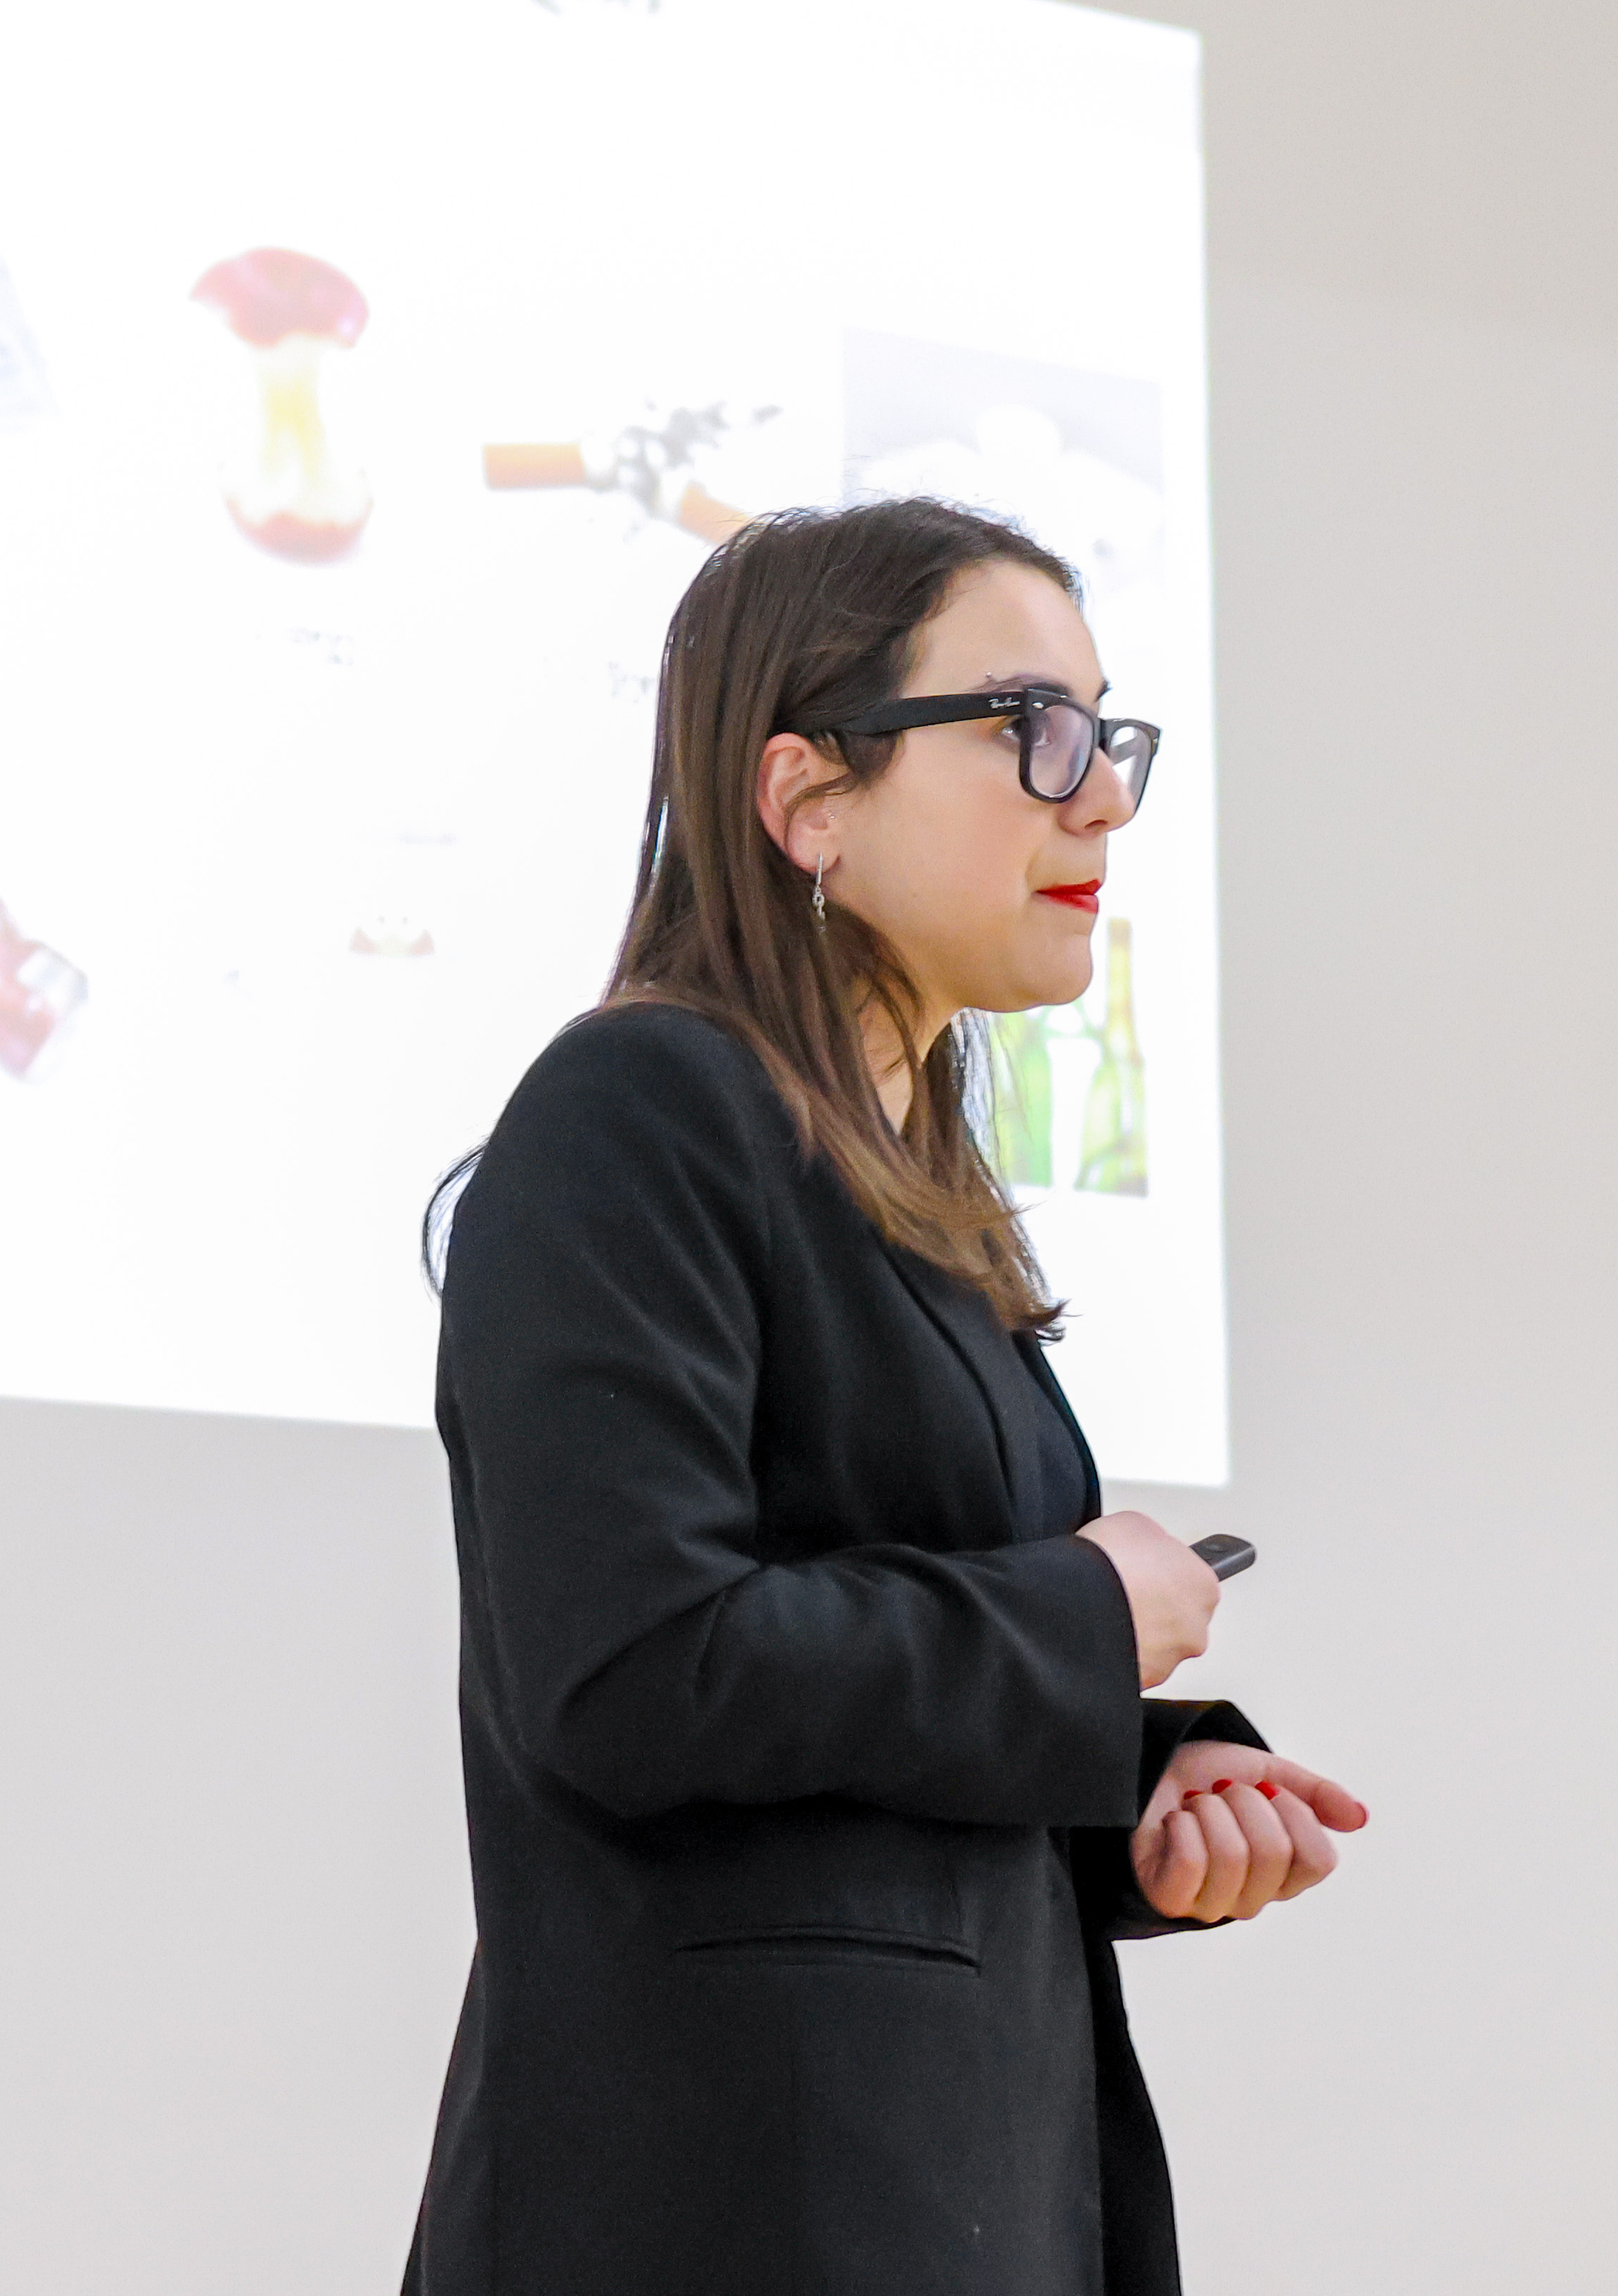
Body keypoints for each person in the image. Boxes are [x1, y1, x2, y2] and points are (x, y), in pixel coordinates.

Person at [405, 497, 1366, 2295]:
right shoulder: (642, 1111)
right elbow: (635, 1670)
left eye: (1109, 732)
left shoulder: (916, 1188)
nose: (1102, 797)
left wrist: (1144, 1788)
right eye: (1033, 728)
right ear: (809, 796)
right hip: (734, 2213)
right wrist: (1081, 1616)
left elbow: (848, 1739)